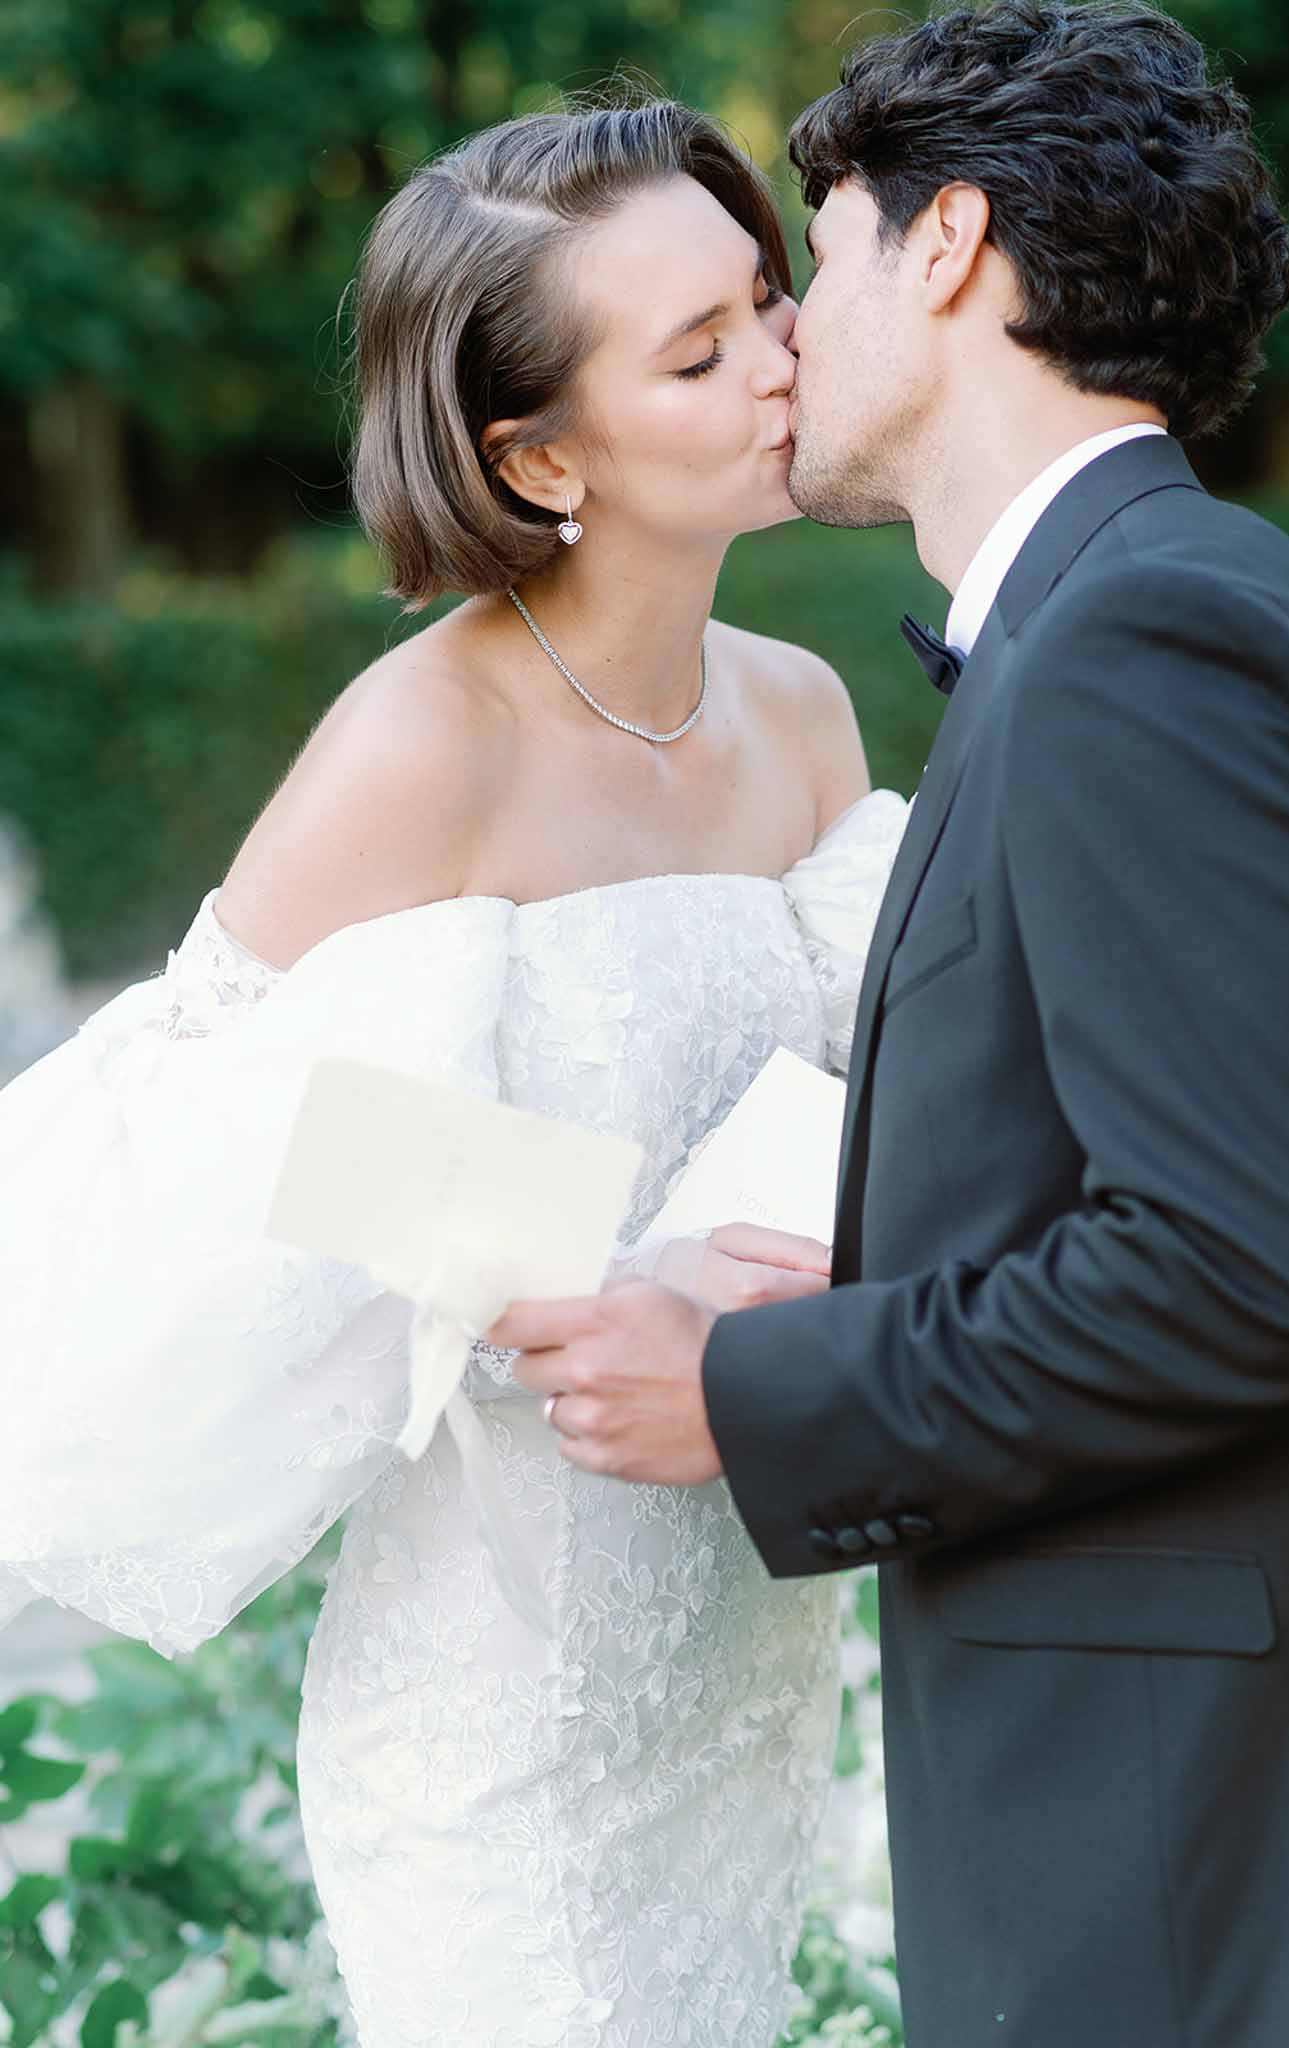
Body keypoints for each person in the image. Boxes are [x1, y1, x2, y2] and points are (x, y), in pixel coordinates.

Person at [0, 104, 914, 2047]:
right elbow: (199, 1127)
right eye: (696, 353)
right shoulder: (419, 741)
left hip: (748, 1644)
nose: (781, 358)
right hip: (505, 1699)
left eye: (765, 300)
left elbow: (869, 1095)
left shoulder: (812, 712)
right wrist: (579, 1282)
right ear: (533, 452)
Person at [493, 6, 1289, 2044]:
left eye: (821, 255)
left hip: (1171, 1837)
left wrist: (763, 1387)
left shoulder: (1142, 638)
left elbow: (1250, 1263)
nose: (788, 329)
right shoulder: (1160, 603)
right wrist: (892, 1276)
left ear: (949, 242)